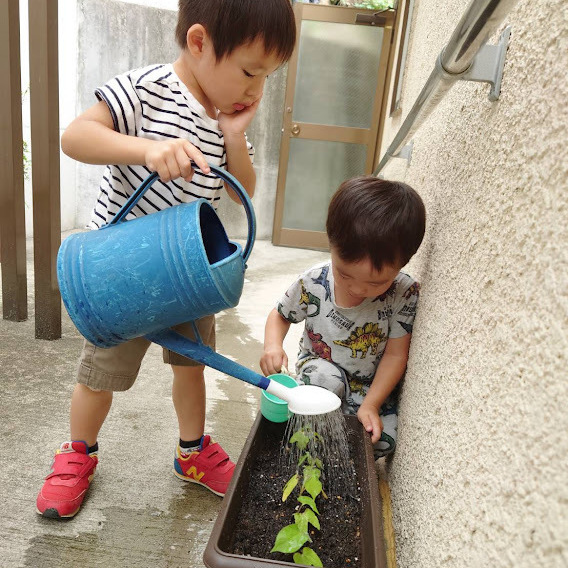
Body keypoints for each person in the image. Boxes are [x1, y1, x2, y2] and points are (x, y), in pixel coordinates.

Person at [36, 0, 296, 519]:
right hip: (125, 274)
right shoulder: (147, 89)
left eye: (267, 77)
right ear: (199, 43)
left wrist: (234, 135)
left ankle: (192, 452)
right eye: (249, 71)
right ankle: (77, 455)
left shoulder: (223, 120)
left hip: (189, 271)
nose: (255, 91)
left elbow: (242, 188)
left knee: (192, 366)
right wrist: (146, 149)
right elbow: (74, 137)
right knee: (99, 373)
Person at [260, 176, 426, 459]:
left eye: (376, 283)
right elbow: (279, 315)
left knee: (384, 439)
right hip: (321, 370)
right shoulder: (313, 282)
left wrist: (371, 405)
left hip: (368, 388)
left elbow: (396, 356)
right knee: (325, 383)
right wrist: (272, 346)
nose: (358, 289)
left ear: (403, 263)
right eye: (345, 274)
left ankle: (335, 452)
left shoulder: (403, 293)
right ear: (331, 247)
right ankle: (311, 443)